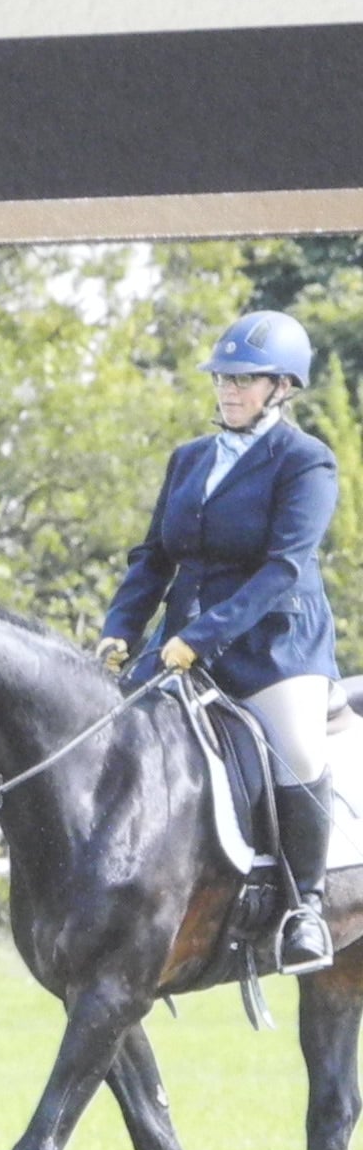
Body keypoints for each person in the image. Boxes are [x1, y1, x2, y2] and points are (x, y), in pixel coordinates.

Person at [96, 309, 341, 974]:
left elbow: (282, 569)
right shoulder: (189, 459)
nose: (229, 389)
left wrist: (199, 638)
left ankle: (306, 908)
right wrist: (119, 629)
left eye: (245, 379)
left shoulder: (306, 462)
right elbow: (153, 558)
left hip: (274, 644)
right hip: (180, 640)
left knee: (295, 752)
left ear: (283, 386)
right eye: (223, 377)